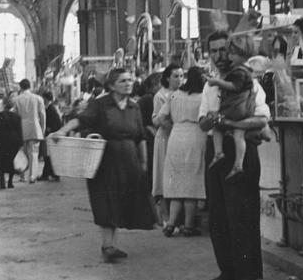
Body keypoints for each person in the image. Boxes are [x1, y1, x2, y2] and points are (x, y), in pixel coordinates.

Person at [54, 68, 155, 262]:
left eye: (130, 80)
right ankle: (108, 245)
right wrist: (62, 130)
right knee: (106, 202)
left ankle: (111, 244)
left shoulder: (134, 107)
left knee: (122, 202)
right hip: (105, 160)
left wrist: (143, 163)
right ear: (111, 85)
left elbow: (140, 136)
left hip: (129, 160)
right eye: (123, 81)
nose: (128, 83)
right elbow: (80, 119)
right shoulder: (100, 104)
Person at [198, 31, 270, 280]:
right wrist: (211, 121)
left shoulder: (250, 83)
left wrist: (228, 123)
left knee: (242, 214)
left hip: (240, 151)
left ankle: (248, 275)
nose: (220, 56)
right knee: (218, 215)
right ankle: (227, 272)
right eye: (214, 51)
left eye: (223, 50)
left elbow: (262, 119)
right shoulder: (209, 86)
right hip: (215, 150)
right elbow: (202, 121)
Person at [160, 67, 207, 236]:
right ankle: (188, 226)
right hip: (196, 136)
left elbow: (160, 117)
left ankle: (171, 223)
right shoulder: (203, 97)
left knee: (177, 182)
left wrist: (173, 126)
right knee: (192, 183)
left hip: (176, 136)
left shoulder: (174, 95)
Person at [205, 45, 259, 181]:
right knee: (238, 135)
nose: (227, 57)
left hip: (235, 110)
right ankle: (238, 164)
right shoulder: (247, 71)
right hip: (244, 111)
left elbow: (235, 86)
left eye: (231, 54)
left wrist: (217, 82)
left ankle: (218, 153)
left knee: (217, 126)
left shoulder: (239, 71)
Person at [151, 65, 185, 225]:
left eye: (181, 76)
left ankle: (176, 218)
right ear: (167, 78)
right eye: (175, 76)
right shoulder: (161, 96)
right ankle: (164, 216)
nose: (179, 79)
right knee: (163, 177)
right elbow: (158, 120)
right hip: (165, 139)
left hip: (179, 141)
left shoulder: (183, 94)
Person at [12, 78, 45, 183]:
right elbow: (42, 115)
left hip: (21, 128)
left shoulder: (17, 99)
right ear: (30, 86)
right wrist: (42, 129)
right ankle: (32, 176)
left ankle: (23, 176)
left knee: (23, 153)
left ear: (20, 87)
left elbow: (15, 116)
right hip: (35, 128)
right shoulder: (38, 98)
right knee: (33, 153)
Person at [0, 95, 23, 189]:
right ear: (12, 106)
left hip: (2, 140)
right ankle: (10, 182)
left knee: (1, 161)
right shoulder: (17, 116)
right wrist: (21, 143)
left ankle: (2, 182)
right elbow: (19, 130)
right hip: (14, 141)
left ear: (3, 105)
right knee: (11, 161)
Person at [37, 90, 62, 180]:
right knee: (48, 156)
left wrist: (48, 130)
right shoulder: (50, 108)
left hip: (51, 135)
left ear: (46, 99)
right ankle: (50, 174)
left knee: (48, 156)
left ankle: (50, 174)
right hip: (51, 134)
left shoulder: (51, 109)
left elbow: (57, 123)